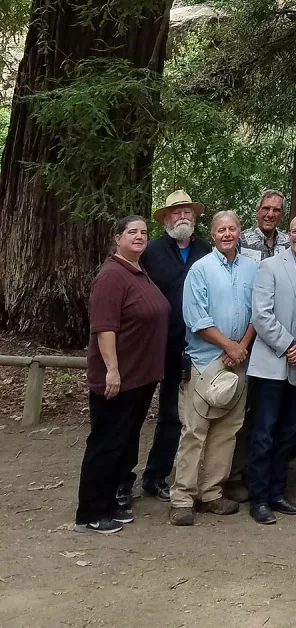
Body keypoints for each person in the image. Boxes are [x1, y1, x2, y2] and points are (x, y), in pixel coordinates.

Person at [76, 217, 169, 534]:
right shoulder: (111, 276)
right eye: (133, 232)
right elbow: (104, 327)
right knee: (105, 443)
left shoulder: (138, 271)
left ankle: (110, 502)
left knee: (125, 443)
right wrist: (112, 370)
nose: (140, 237)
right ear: (118, 238)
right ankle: (90, 511)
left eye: (144, 233)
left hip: (140, 378)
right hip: (118, 379)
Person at [169, 211, 257, 526]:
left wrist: (241, 346)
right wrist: (228, 347)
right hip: (205, 361)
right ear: (213, 233)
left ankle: (211, 493)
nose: (227, 233)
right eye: (221, 229)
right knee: (195, 431)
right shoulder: (201, 269)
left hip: (239, 361)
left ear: (239, 231)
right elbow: (196, 317)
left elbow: (257, 313)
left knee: (228, 431)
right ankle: (181, 498)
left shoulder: (252, 269)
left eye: (233, 228)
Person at [245, 213, 296, 525]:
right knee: (263, 432)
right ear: (290, 234)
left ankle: (277, 491)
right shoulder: (271, 266)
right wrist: (289, 345)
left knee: (288, 435)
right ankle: (258, 498)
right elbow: (261, 315)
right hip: (271, 365)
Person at [138, 189, 210, 502]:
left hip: (196, 345)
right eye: (175, 212)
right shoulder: (151, 252)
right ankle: (136, 478)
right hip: (156, 345)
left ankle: (167, 475)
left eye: (186, 212)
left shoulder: (206, 250)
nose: (182, 217)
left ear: (194, 217)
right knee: (147, 411)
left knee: (182, 414)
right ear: (167, 218)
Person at [240, 190, 289, 259]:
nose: (270, 214)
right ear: (257, 211)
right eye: (266, 208)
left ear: (282, 216)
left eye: (276, 210)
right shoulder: (240, 241)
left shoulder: (288, 244)